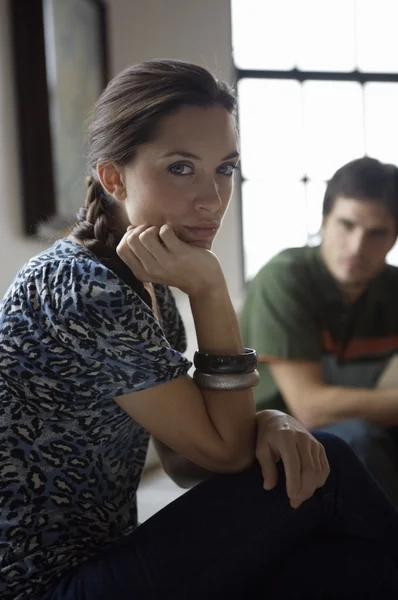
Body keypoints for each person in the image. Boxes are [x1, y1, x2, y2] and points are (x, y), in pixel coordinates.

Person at [1, 61, 398, 600]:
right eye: (182, 168)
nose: (213, 198)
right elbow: (225, 454)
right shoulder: (81, 285)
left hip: (103, 563)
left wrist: (272, 418)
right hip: (47, 589)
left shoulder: (146, 282)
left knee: (340, 563)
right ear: (113, 177)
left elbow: (185, 462)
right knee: (332, 464)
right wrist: (210, 291)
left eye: (226, 168)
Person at [240, 156, 398, 508]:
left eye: (377, 233)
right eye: (347, 225)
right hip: (265, 443)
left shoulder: (391, 288)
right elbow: (310, 408)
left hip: (355, 432)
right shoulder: (285, 278)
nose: (357, 247)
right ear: (324, 222)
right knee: (357, 440)